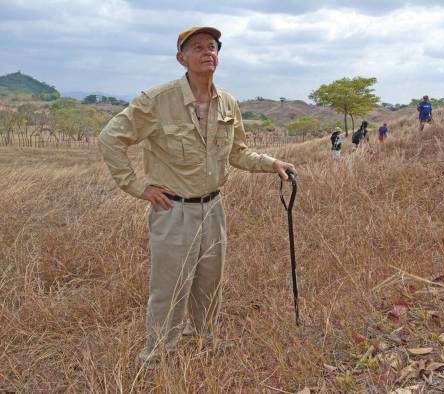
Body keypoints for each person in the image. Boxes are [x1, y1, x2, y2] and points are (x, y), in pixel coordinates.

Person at [98, 26, 296, 366]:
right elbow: (110, 138)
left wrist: (272, 163)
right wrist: (137, 187)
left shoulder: (228, 103)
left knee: (209, 284)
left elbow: (238, 152)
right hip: (173, 211)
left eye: (212, 46)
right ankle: (157, 358)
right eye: (197, 47)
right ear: (181, 58)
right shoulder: (156, 101)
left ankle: (207, 344)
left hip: (213, 208)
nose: (207, 51)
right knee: (169, 290)